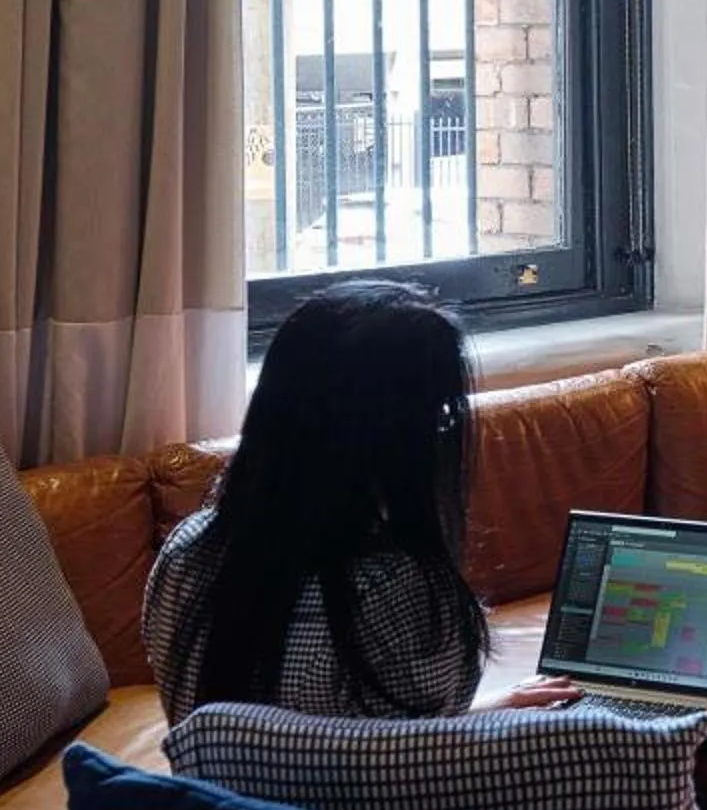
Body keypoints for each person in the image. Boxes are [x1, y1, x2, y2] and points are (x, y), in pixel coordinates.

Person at [144, 280, 579, 722]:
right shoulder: (402, 590)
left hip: (213, 791)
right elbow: (394, 765)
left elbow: (318, 740)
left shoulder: (186, 554)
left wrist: (494, 708)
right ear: (395, 434)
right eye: (441, 415)